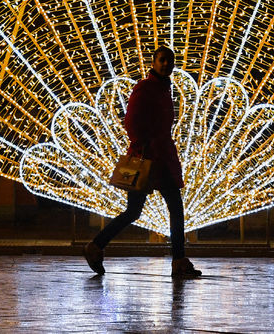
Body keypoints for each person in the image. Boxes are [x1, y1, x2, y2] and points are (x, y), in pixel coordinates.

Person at [84, 46, 202, 278]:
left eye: (170, 60)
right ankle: (96, 246)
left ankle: (97, 246)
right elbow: (132, 122)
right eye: (162, 60)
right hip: (150, 158)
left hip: (161, 158)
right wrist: (144, 145)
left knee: (154, 210)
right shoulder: (146, 88)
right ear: (154, 62)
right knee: (148, 210)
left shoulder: (162, 89)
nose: (166, 64)